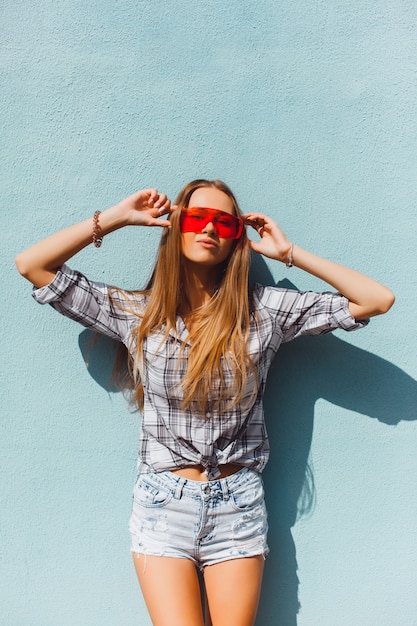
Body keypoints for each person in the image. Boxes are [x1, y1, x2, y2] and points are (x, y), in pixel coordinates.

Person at [15, 179, 394, 626]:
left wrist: (289, 254)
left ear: (236, 237)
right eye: (195, 218)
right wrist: (116, 218)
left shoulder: (265, 311)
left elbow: (376, 299)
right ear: (176, 227)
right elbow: (32, 265)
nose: (208, 228)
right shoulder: (138, 312)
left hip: (237, 504)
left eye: (224, 222)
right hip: (162, 502)